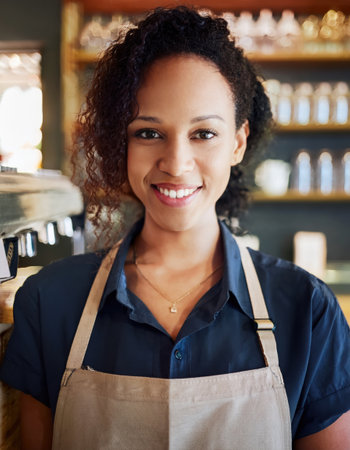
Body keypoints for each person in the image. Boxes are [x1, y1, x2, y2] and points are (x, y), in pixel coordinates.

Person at [1, 6, 350, 449]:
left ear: (238, 143)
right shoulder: (49, 303)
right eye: (148, 133)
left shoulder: (308, 310)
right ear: (119, 142)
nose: (177, 164)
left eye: (203, 133)